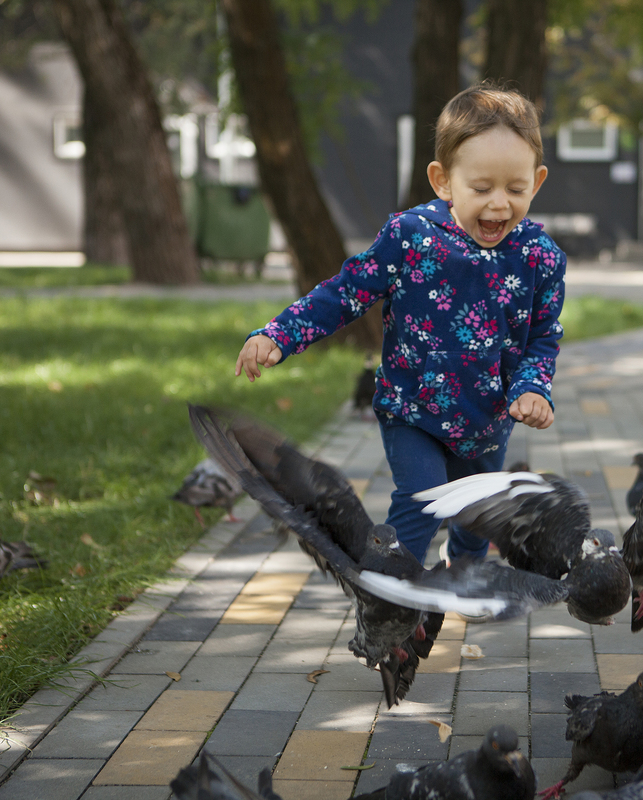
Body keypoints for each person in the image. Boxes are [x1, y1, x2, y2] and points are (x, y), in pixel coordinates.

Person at [234, 83, 566, 565]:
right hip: (414, 410)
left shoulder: (540, 257)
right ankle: (392, 599)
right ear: (443, 180)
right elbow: (345, 292)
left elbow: (542, 337)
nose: (499, 204)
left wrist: (533, 388)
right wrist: (279, 334)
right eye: (481, 188)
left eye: (515, 190)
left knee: (476, 517)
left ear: (535, 183)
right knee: (423, 500)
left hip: (488, 419)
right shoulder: (411, 238)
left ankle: (464, 584)